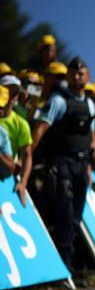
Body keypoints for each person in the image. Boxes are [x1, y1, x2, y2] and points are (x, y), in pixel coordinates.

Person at [31, 56, 95, 274]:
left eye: (82, 72)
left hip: (81, 166)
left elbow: (92, 143)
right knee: (64, 216)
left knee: (75, 218)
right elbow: (40, 130)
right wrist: (25, 159)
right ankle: (64, 267)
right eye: (73, 72)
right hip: (61, 164)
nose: (78, 75)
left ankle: (69, 263)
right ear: (68, 75)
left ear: (88, 76)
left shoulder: (90, 104)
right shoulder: (58, 101)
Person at [0, 77, 33, 206]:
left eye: (15, 93)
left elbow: (27, 155)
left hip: (6, 172)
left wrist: (23, 182)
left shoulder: (21, 124)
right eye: (9, 91)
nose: (12, 96)